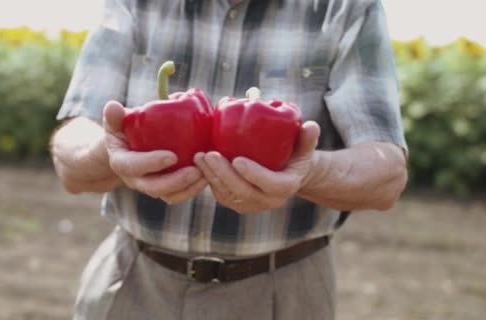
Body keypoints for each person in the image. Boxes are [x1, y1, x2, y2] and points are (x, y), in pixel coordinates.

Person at [50, 0, 408, 319]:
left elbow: (386, 175)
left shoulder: (345, 7)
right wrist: (112, 153)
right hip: (134, 282)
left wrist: (308, 172)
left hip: (283, 293)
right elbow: (72, 149)